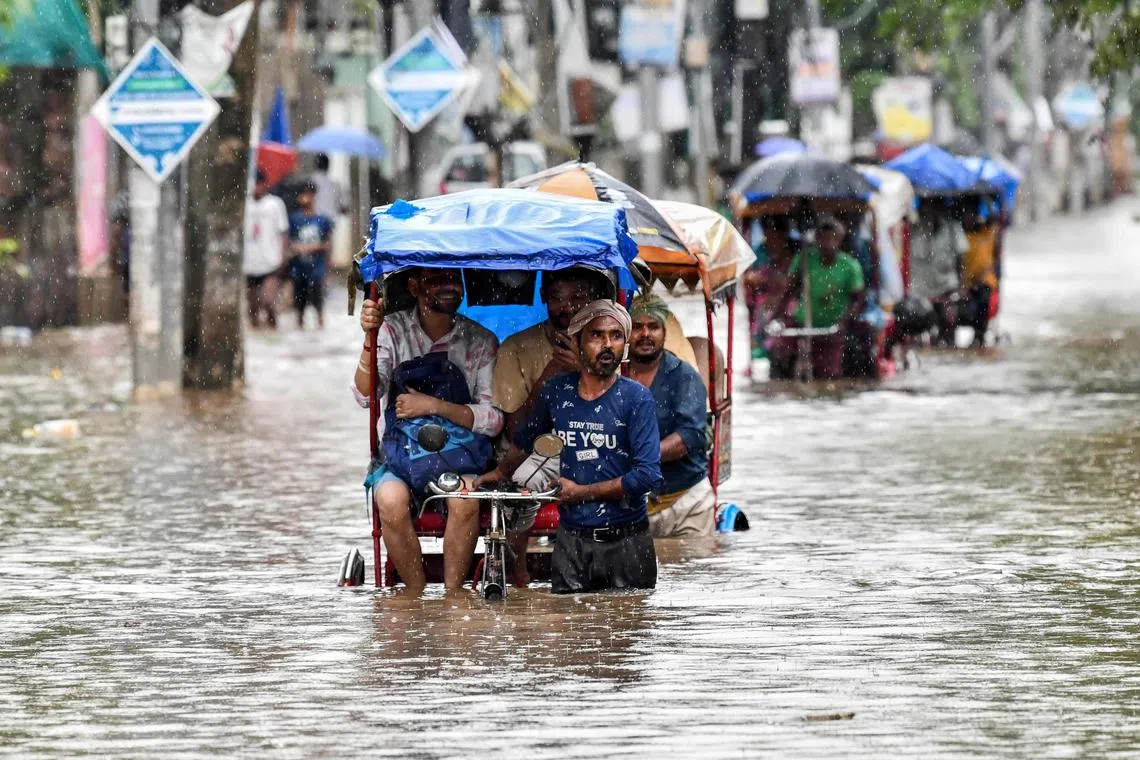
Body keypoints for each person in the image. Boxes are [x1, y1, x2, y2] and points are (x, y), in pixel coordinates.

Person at [480, 300, 663, 594]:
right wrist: (500, 471)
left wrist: (582, 493)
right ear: (576, 341)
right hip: (572, 543)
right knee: (570, 632)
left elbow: (647, 477)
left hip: (628, 545)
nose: (607, 344)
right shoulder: (557, 391)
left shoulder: (636, 398)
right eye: (596, 335)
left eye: (616, 336)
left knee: (630, 632)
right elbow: (527, 439)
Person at [354, 267, 503, 592]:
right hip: (400, 458)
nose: (449, 287)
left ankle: (453, 596)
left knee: (464, 500)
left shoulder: (480, 341)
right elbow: (366, 396)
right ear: (414, 286)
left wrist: (434, 407)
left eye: (454, 279)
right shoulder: (392, 331)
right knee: (390, 500)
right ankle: (414, 594)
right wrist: (369, 336)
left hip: (462, 457)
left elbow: (493, 419)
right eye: (438, 279)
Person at [627, 294, 713, 538]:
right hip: (631, 505)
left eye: (653, 327)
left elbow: (691, 435)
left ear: (664, 333)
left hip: (686, 503)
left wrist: (641, 456)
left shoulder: (683, 375)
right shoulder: (613, 376)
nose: (645, 334)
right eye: (637, 327)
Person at [768, 215, 866, 380]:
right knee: (781, 358)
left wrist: (845, 320)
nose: (827, 243)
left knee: (829, 373)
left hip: (832, 327)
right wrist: (775, 316)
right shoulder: (805, 259)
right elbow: (788, 291)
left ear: (839, 239)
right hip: (803, 322)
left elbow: (857, 299)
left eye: (831, 238)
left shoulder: (850, 266)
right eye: (823, 238)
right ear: (817, 239)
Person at [910, 204, 968, 346]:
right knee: (921, 328)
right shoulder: (915, 229)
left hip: (947, 284)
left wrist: (962, 286)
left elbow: (961, 259)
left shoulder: (953, 228)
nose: (930, 212)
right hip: (921, 288)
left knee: (948, 323)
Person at [243, 170, 290, 329]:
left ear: (264, 184)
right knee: (252, 309)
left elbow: (283, 232)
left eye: (258, 184)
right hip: (249, 264)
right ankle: (260, 338)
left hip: (270, 262)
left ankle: (273, 328)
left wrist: (283, 258)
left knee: (268, 301)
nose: (255, 188)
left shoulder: (275, 204)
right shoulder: (245, 204)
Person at [288, 180, 333, 329]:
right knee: (299, 306)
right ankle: (300, 330)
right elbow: (288, 242)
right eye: (302, 194)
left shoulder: (322, 220)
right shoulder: (293, 219)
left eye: (308, 194)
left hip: (317, 268)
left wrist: (314, 248)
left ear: (313, 196)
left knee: (318, 303)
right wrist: (298, 248)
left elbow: (328, 243)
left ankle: (320, 329)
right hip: (298, 268)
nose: (305, 198)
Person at [959, 210, 1000, 347]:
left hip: (985, 283)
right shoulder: (962, 237)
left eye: (971, 216)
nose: (969, 219)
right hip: (967, 284)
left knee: (983, 299)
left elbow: (996, 219)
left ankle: (979, 335)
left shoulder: (986, 234)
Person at [312, 153, 348, 222]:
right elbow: (343, 207)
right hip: (331, 220)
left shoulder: (310, 182)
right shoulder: (336, 185)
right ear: (328, 166)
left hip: (314, 219)